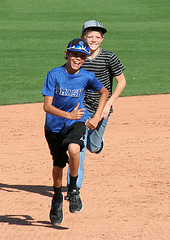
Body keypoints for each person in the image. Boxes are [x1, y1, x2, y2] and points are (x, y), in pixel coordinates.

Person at [42, 38, 108, 225]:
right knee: (58, 164)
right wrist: (67, 115)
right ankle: (56, 199)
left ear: (85, 58)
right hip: (54, 126)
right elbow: (47, 106)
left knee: (74, 149)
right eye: (74, 54)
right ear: (66, 54)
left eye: (81, 56)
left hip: (77, 121)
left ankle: (73, 190)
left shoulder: (87, 76)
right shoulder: (54, 75)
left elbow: (104, 92)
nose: (77, 58)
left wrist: (95, 117)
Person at [67, 20, 127, 191]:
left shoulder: (109, 57)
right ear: (82, 37)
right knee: (79, 147)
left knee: (93, 146)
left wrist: (108, 105)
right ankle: (74, 188)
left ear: (101, 39)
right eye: (89, 36)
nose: (93, 39)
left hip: (102, 107)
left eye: (97, 37)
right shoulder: (78, 58)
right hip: (81, 108)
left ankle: (98, 144)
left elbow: (121, 82)